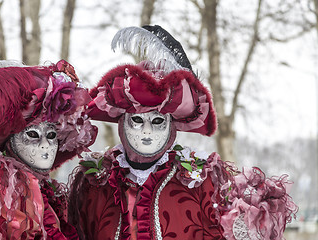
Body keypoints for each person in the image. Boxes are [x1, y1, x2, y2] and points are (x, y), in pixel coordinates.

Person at [68, 26, 297, 240]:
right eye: (137, 120)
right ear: (121, 122)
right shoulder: (95, 181)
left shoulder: (201, 179)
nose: (147, 131)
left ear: (172, 125)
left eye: (157, 121)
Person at [0, 59, 97, 239]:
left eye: (52, 135)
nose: (45, 144)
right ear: (9, 140)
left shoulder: (42, 189)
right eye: (33, 135)